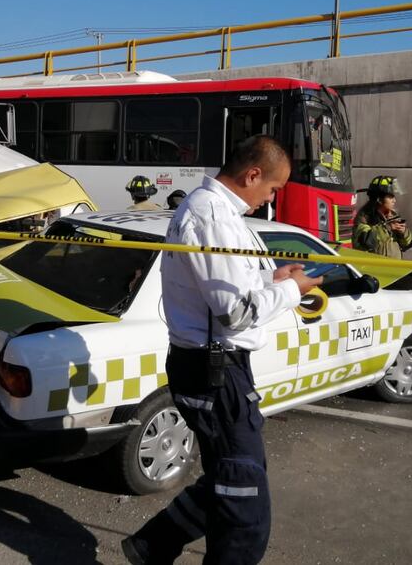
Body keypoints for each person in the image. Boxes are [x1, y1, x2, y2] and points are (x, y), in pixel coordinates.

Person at [122, 135, 322, 565]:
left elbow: (229, 290)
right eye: (272, 189)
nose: (271, 199)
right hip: (215, 371)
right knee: (243, 503)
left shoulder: (219, 213)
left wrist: (274, 279)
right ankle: (153, 545)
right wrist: (290, 290)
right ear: (252, 174)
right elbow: (234, 313)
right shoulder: (211, 216)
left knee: (229, 479)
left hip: (218, 369)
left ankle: (151, 545)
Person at [352, 175, 412, 258]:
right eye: (391, 197)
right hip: (374, 269)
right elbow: (366, 241)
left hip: (395, 268)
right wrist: (388, 228)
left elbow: (407, 244)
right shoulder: (365, 218)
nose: (394, 200)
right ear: (379, 199)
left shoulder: (393, 216)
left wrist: (403, 233)